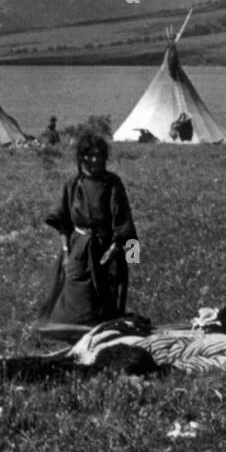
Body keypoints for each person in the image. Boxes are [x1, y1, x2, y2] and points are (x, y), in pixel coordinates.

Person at [41, 132, 137, 326]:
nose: (95, 159)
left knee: (106, 299)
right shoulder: (73, 184)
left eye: (99, 155)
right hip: (79, 248)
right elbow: (63, 222)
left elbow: (125, 222)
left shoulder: (112, 183)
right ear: (82, 157)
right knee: (76, 298)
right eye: (90, 155)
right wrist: (67, 253)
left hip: (107, 248)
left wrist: (118, 251)